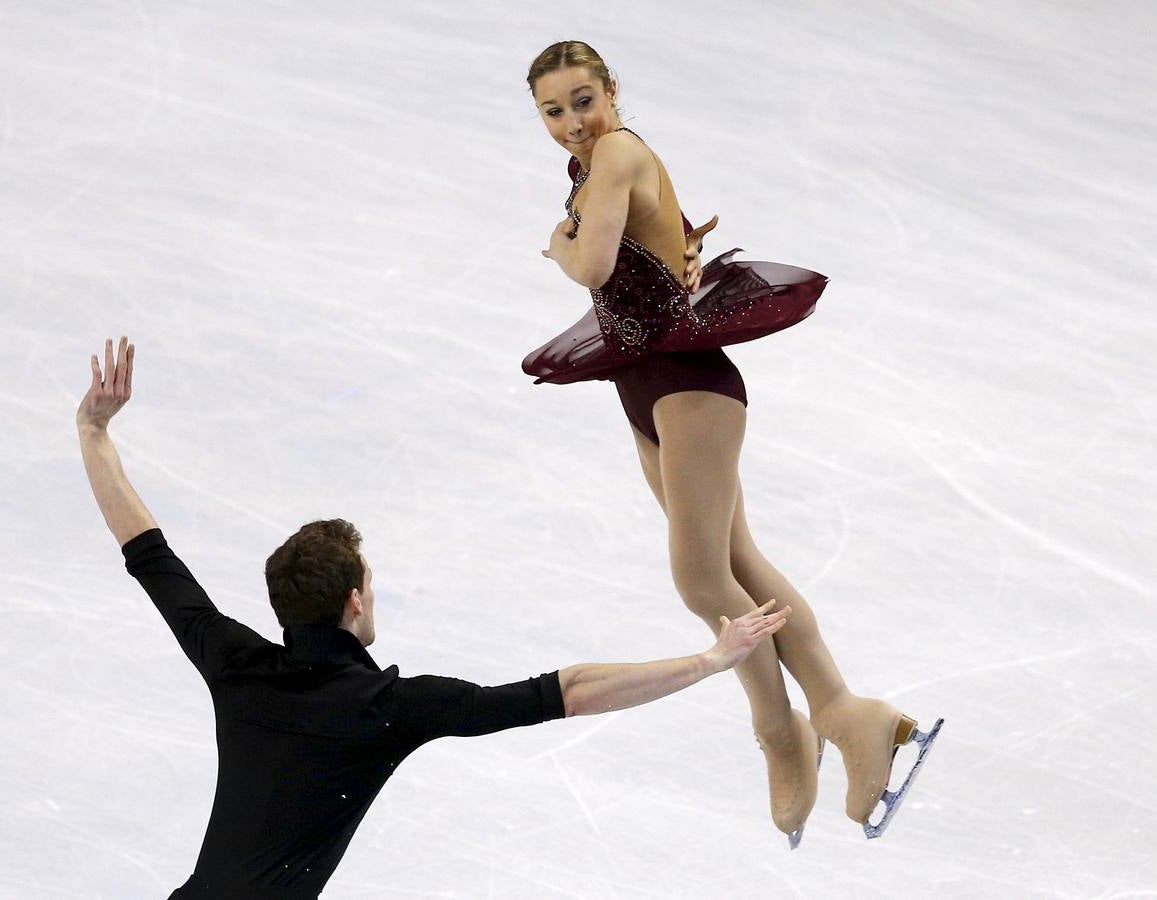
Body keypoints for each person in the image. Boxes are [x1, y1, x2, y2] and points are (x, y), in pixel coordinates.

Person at [76, 336, 790, 898]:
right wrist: (707, 660)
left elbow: (149, 553)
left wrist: (93, 431)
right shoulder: (387, 709)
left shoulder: (234, 663)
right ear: (354, 601)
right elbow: (567, 691)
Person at [524, 41, 942, 846]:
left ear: (613, 91)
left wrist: (558, 242)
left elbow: (593, 263)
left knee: (699, 575)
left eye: (583, 99)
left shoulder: (614, 152)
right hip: (647, 385)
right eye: (553, 110)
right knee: (739, 565)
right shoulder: (597, 166)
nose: (573, 122)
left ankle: (788, 726)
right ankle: (842, 717)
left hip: (689, 387)